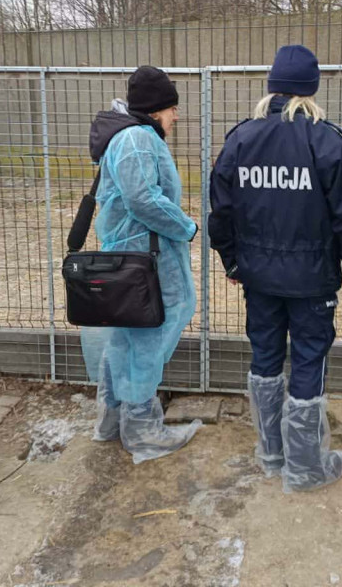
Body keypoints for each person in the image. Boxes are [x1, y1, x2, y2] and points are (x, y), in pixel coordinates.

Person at [208, 44, 342, 492]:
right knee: (308, 360)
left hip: (258, 276)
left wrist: (232, 260)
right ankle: (303, 468)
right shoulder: (328, 141)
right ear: (312, 89)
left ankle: (272, 454)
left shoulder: (241, 138)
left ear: (272, 86)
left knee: (264, 355)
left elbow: (219, 211)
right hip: (312, 280)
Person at [81, 65, 202, 463]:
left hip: (136, 255)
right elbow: (143, 199)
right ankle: (142, 429)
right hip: (147, 258)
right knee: (147, 338)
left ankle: (113, 421)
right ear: (155, 109)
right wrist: (187, 227)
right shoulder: (137, 139)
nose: (176, 116)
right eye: (172, 108)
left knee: (127, 339)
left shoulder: (133, 135)